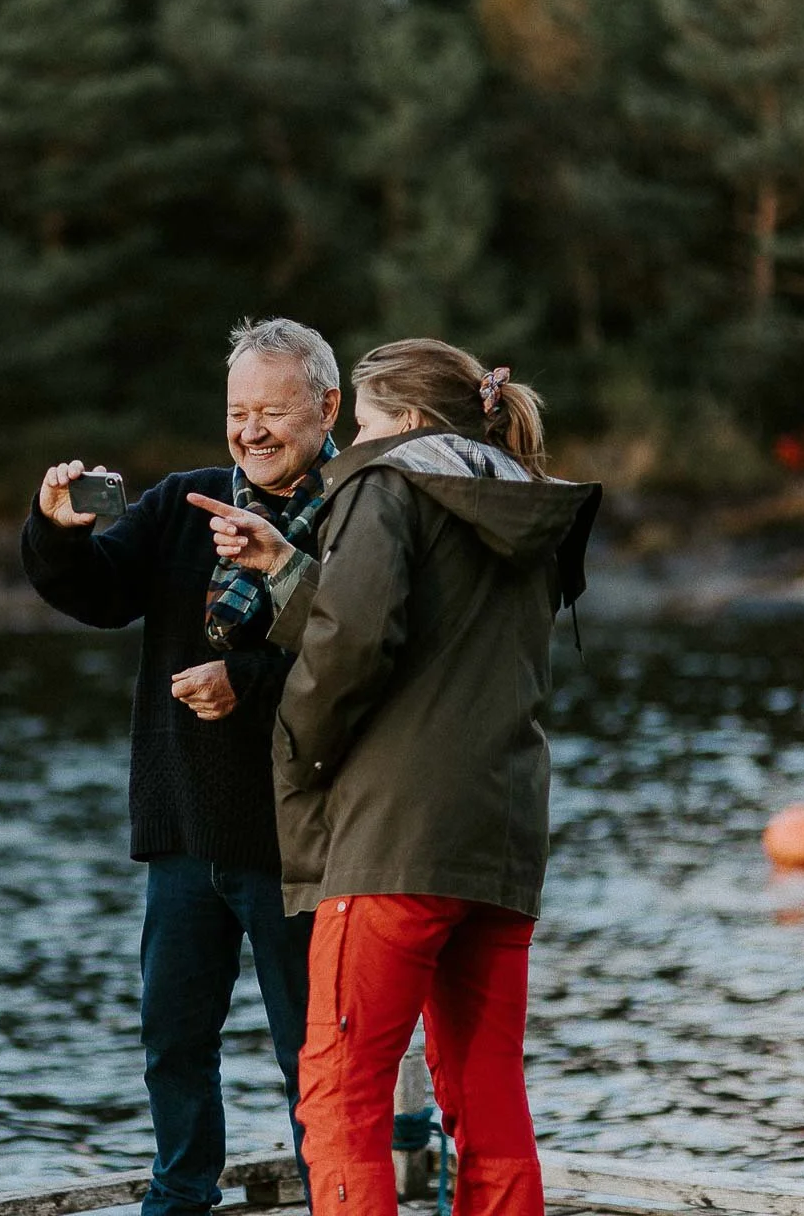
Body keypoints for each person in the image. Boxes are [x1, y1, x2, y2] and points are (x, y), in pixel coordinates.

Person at [189, 339, 600, 1216]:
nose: (359, 447)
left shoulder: (389, 480)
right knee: (488, 1100)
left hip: (393, 844)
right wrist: (293, 575)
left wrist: (296, 747)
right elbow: (426, 636)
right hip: (501, 842)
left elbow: (355, 646)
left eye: (368, 425)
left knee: (340, 1096)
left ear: (407, 424)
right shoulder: (518, 499)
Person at [21, 318, 343, 1216]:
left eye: (273, 412)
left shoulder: (360, 511)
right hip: (184, 830)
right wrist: (59, 533)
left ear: (328, 408)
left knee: (312, 1053)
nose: (252, 430)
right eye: (239, 411)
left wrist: (247, 681)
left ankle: (337, 1199)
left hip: (298, 838)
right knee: (172, 1042)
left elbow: (363, 654)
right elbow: (95, 593)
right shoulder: (182, 503)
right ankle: (180, 1199)